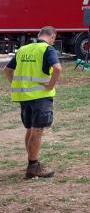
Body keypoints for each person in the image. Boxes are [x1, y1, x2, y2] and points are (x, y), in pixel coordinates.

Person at [3, 26, 62, 178]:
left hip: (24, 97)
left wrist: (16, 84)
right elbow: (57, 68)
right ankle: (33, 167)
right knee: (37, 130)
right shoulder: (47, 49)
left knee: (30, 129)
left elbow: (7, 70)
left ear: (39, 35)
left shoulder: (23, 49)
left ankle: (31, 162)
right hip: (40, 97)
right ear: (52, 37)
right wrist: (50, 85)